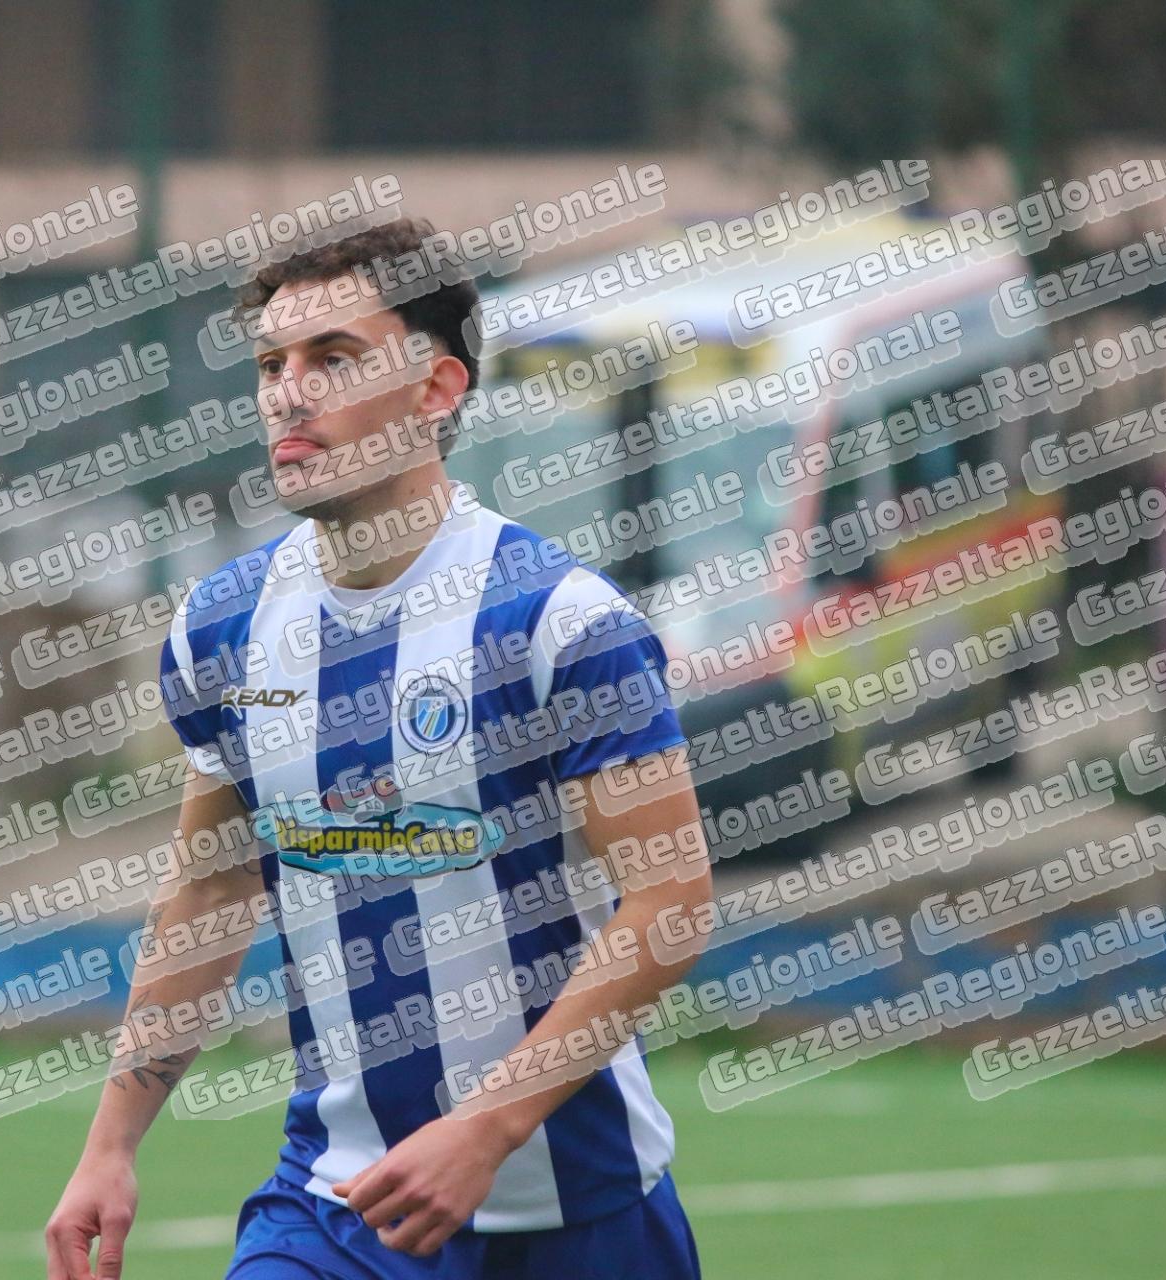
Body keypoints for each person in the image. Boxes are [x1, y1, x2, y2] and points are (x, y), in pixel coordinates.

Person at [46, 217, 712, 1279]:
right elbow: (211, 890)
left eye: (333, 357)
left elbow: (668, 900)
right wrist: (110, 1144)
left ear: (436, 389)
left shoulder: (561, 621)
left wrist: (486, 1129)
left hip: (579, 1214)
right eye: (272, 363)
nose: (288, 392)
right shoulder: (223, 626)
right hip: (334, 1209)